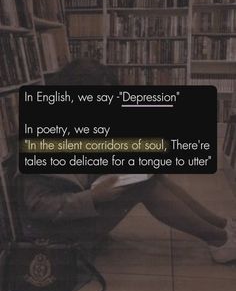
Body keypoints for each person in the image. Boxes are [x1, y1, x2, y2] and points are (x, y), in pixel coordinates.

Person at [17, 58, 236, 264]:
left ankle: (222, 226)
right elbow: (37, 207)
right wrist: (92, 196)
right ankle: (219, 240)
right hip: (57, 235)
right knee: (143, 186)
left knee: (151, 175)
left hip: (77, 214)